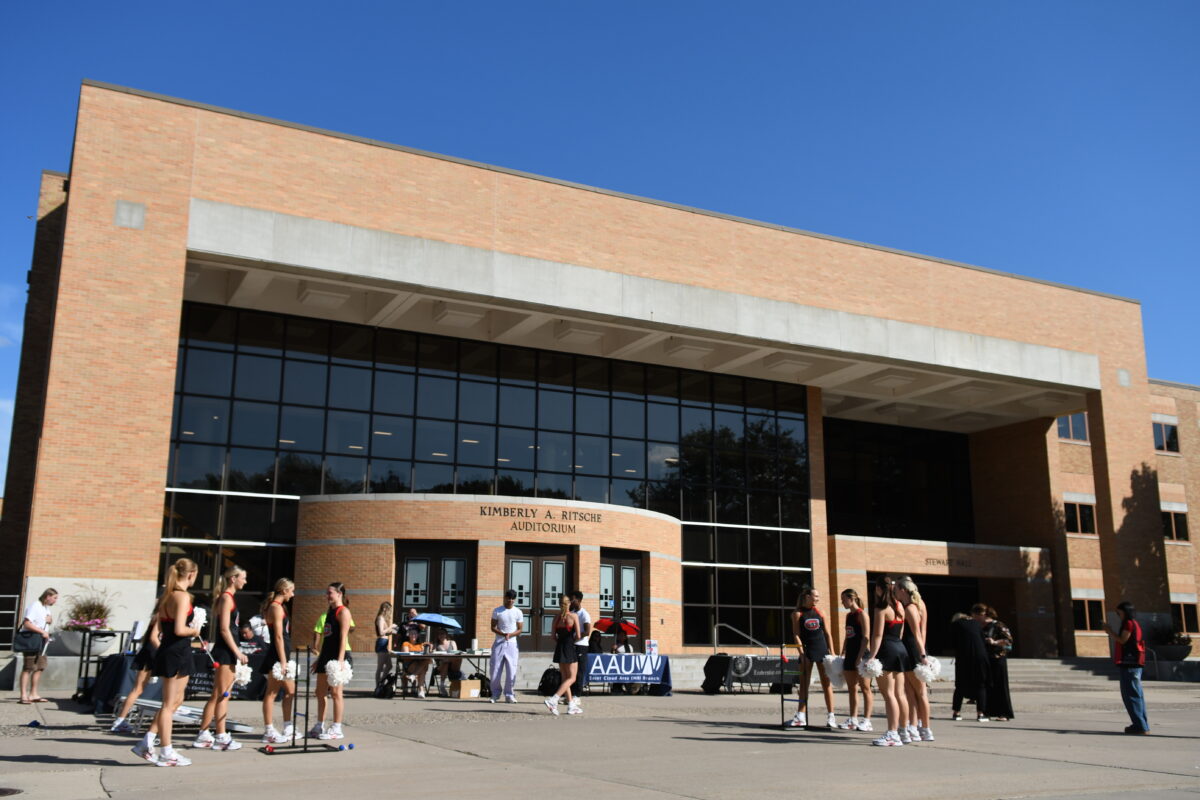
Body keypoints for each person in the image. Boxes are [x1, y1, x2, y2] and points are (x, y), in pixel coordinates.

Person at [133, 557, 201, 767]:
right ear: (190, 575)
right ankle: (166, 750)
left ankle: (149, 740)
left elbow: (162, 629)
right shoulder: (181, 597)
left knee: (176, 701)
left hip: (172, 649)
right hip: (176, 651)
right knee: (169, 704)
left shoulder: (166, 596)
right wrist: (195, 629)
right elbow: (180, 629)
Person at [194, 565, 249, 751]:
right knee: (223, 695)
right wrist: (237, 652)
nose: (245, 581)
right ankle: (221, 735)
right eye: (243, 577)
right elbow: (225, 629)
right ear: (233, 578)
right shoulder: (226, 598)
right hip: (225, 651)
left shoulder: (227, 597)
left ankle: (204, 733)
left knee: (218, 694)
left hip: (227, 651)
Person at [864, 575, 910, 746]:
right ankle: (904, 731)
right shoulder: (899, 606)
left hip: (887, 650)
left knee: (889, 694)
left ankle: (892, 733)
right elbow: (901, 631)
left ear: (877, 589)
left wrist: (872, 657)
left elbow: (877, 635)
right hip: (900, 648)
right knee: (900, 694)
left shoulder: (881, 608)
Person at [788, 586, 837, 729]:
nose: (818, 599)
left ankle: (831, 716)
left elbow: (828, 633)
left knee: (826, 684)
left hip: (822, 650)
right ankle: (801, 716)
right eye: (815, 596)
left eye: (818, 597)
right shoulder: (797, 614)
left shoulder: (821, 612)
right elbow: (796, 634)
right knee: (804, 684)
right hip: (807, 651)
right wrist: (801, 653)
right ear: (807, 597)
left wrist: (832, 652)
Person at [311, 582, 353, 740]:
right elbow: (326, 639)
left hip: (338, 656)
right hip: (326, 655)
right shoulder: (329, 612)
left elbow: (343, 638)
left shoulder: (343, 612)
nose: (327, 596)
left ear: (339, 594)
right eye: (326, 593)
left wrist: (341, 660)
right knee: (320, 692)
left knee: (336, 693)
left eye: (330, 593)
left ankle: (337, 727)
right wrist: (319, 659)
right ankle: (319, 724)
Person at [895, 576, 934, 742]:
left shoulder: (910, 607)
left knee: (918, 692)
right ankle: (914, 726)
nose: (895, 592)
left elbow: (917, 633)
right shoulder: (920, 604)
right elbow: (923, 632)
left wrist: (922, 654)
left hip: (912, 649)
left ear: (903, 590)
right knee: (911, 692)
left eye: (896, 589)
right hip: (914, 648)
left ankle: (925, 728)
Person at [111, 611, 162, 733]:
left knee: (137, 689)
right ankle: (120, 720)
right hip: (150, 654)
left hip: (149, 653)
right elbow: (153, 637)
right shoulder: (161, 616)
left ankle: (120, 720)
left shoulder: (159, 616)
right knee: (137, 689)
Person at [259, 578, 296, 745]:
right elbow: (278, 636)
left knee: (290, 691)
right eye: (291, 591)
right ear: (283, 591)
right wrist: (282, 661)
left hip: (283, 654)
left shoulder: (279, 607)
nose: (293, 594)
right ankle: (268, 730)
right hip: (277, 655)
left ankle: (288, 727)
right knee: (272, 693)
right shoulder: (275, 607)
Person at [1105, 600, 1149, 734]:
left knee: (1131, 694)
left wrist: (1109, 631)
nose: (1119, 615)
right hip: (1133, 663)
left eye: (1119, 613)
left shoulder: (1129, 624)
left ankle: (1140, 725)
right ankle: (1141, 724)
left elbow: (1123, 640)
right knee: (1135, 694)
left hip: (1130, 664)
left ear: (1125, 612)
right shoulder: (1134, 623)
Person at [838, 588, 873, 732]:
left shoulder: (862, 615)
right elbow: (848, 634)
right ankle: (853, 719)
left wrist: (860, 658)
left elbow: (866, 637)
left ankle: (867, 720)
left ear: (851, 599)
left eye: (844, 599)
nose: (842, 602)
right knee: (852, 688)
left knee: (865, 688)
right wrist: (843, 650)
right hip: (850, 654)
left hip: (862, 655)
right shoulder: (848, 616)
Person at [950, 606, 991, 722]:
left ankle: (956, 713)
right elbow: (982, 639)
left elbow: (953, 642)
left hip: (964, 657)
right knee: (981, 684)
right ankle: (981, 714)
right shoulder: (976, 623)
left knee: (960, 685)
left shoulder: (956, 624)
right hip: (980, 656)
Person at [18, 588, 57, 704]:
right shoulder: (35, 606)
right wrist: (41, 632)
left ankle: (33, 694)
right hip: (32, 639)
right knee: (28, 667)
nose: (55, 601)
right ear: (47, 596)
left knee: (40, 666)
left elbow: (44, 621)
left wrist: (50, 621)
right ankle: (23, 695)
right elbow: (27, 623)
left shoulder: (46, 608)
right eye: (54, 598)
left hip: (42, 641)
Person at [545, 594, 582, 715]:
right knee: (572, 678)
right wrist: (571, 642)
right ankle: (554, 699)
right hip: (569, 647)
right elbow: (578, 635)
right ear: (569, 603)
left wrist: (560, 642)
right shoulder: (573, 616)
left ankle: (571, 705)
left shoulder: (556, 617)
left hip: (559, 647)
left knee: (565, 678)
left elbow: (552, 636)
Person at [489, 589, 523, 704]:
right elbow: (493, 627)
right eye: (509, 598)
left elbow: (520, 629)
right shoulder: (497, 611)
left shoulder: (518, 612)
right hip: (499, 643)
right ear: (505, 598)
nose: (510, 601)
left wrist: (511, 634)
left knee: (511, 670)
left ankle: (509, 694)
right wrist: (503, 634)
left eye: (513, 599)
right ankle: (495, 693)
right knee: (495, 669)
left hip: (512, 644)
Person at [981, 606, 1014, 721]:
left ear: (984, 614)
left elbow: (1008, 640)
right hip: (987, 659)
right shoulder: (982, 626)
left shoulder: (998, 625)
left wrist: (994, 642)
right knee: (988, 686)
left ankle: (1004, 713)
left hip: (998, 658)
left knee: (1000, 685)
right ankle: (989, 711)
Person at [569, 590, 594, 698]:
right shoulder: (572, 612)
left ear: (578, 600)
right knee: (571, 671)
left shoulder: (584, 614)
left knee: (580, 671)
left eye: (573, 599)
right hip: (572, 644)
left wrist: (577, 636)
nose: (571, 601)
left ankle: (577, 696)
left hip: (581, 646)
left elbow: (587, 632)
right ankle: (569, 695)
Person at [398, 626, 432, 697]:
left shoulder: (421, 645)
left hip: (418, 665)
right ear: (408, 635)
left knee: (427, 660)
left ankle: (414, 676)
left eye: (415, 634)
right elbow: (406, 655)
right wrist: (418, 656)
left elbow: (427, 654)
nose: (413, 635)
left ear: (418, 635)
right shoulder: (406, 643)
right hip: (409, 665)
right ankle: (421, 689)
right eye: (412, 634)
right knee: (424, 666)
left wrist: (430, 647)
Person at [375, 602, 399, 688]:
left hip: (384, 643)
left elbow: (384, 633)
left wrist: (391, 632)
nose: (389, 613)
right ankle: (378, 686)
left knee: (389, 665)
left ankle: (381, 681)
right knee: (380, 667)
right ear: (385, 609)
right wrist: (390, 627)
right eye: (389, 610)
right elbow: (381, 632)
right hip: (381, 643)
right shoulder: (380, 618)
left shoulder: (383, 619)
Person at [432, 628, 462, 697]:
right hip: (440, 666)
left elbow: (455, 654)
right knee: (445, 663)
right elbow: (433, 656)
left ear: (446, 634)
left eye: (442, 633)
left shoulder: (452, 642)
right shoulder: (436, 645)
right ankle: (442, 685)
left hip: (453, 666)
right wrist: (432, 648)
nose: (440, 635)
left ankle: (446, 683)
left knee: (458, 657)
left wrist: (448, 659)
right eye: (439, 634)